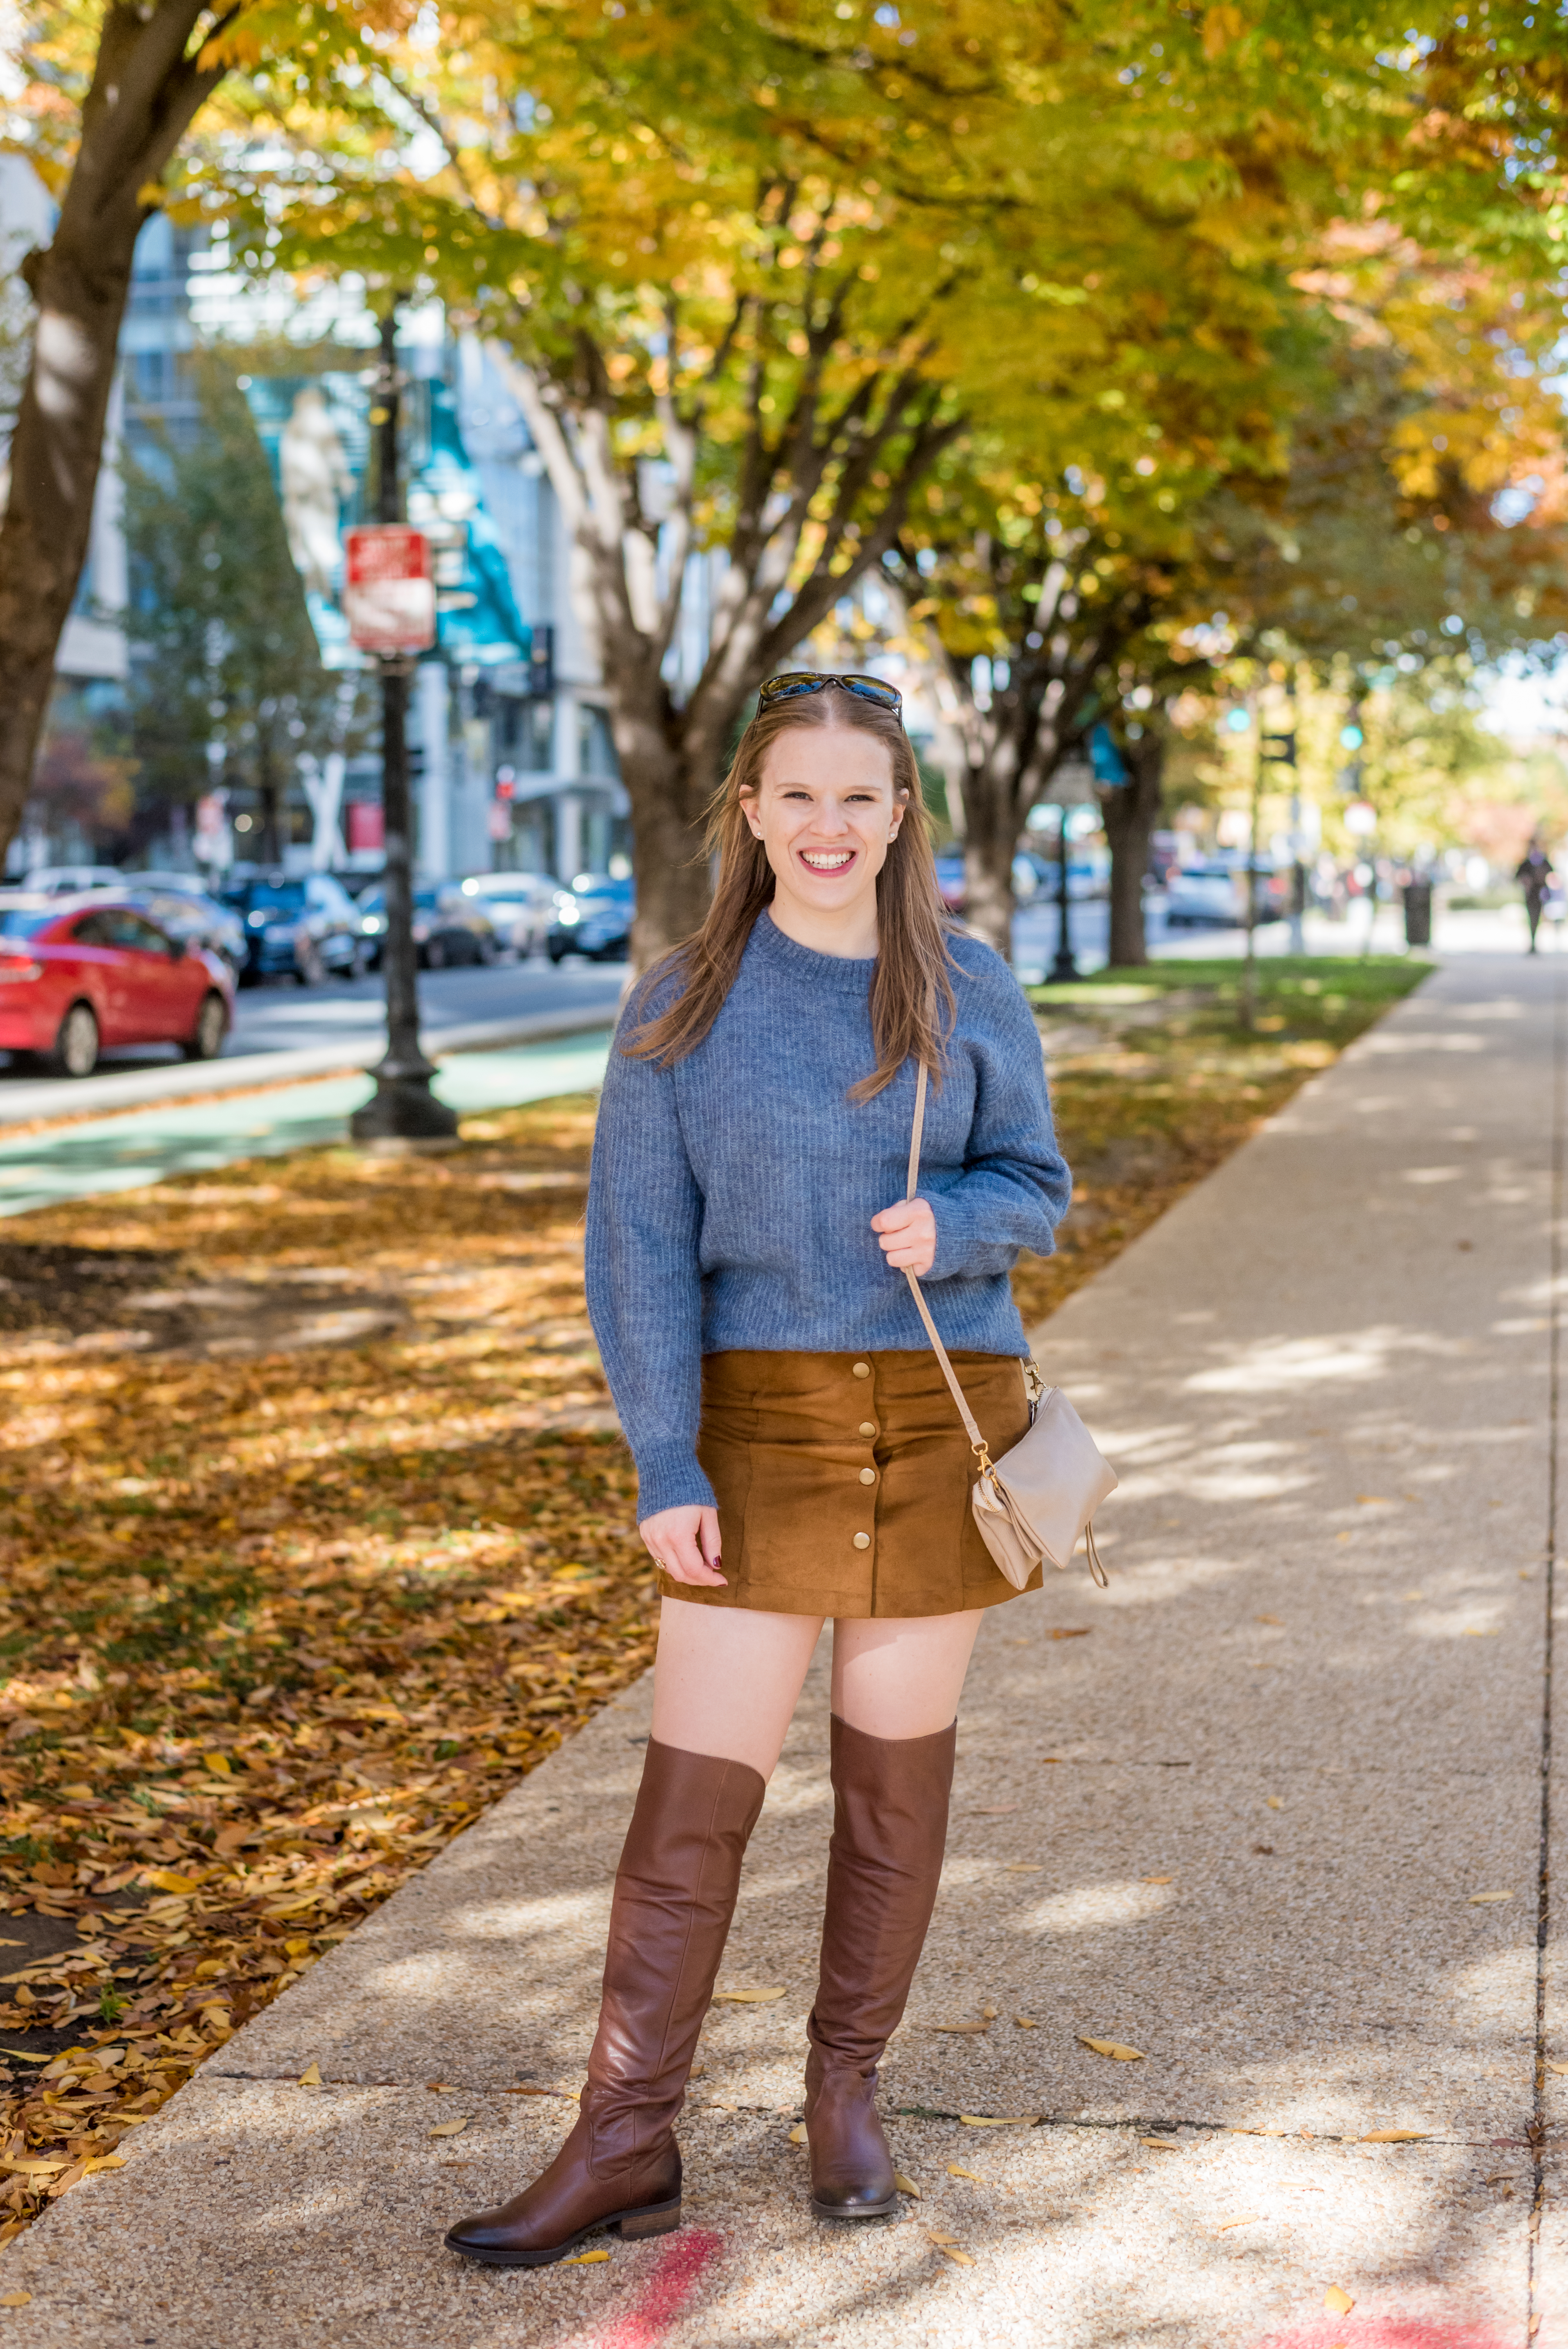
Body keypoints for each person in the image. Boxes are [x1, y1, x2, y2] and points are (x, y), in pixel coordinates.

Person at [445, 673, 1071, 2269]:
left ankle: (845, 2095)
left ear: (903, 813)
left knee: (890, 1790)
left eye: (860, 795)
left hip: (942, 1422)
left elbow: (1040, 1182)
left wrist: (969, 1222)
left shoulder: (967, 983)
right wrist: (667, 1458)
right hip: (757, 1426)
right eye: (797, 793)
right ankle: (625, 2133)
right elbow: (636, 1249)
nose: (828, 826)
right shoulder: (680, 1001)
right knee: (689, 1808)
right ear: (748, 810)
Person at [1517, 835, 1554, 954]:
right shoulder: (1527, 863)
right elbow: (1518, 876)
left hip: (1540, 894)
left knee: (1537, 918)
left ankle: (1534, 942)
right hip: (1530, 894)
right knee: (1532, 918)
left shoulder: (1543, 861)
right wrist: (1526, 881)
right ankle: (1533, 942)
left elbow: (1551, 872)